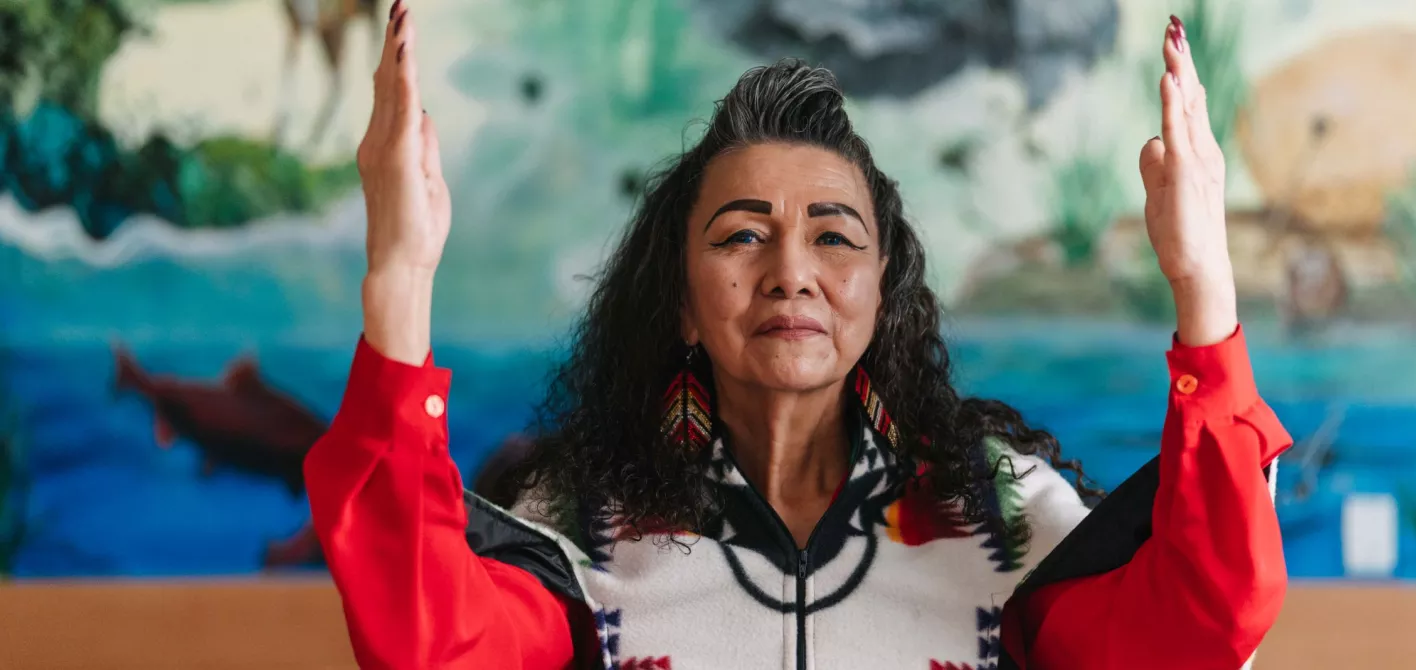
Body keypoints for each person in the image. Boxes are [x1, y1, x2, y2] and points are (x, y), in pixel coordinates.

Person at [305, 4, 1293, 668]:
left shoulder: (997, 511)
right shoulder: (579, 519)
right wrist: (399, 279)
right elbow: (427, 637)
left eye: (833, 235)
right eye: (741, 235)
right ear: (682, 301)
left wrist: (1202, 287)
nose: (789, 271)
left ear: (880, 292)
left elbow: (1203, 620)